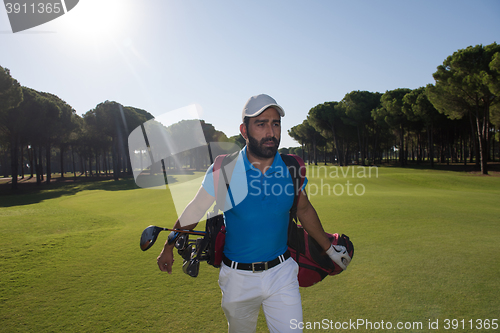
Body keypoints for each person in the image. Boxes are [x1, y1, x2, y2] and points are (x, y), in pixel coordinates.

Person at [156, 94, 351, 333]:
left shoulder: (292, 167)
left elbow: (303, 209)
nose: (271, 132)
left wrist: (329, 248)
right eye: (261, 124)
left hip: (282, 273)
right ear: (244, 130)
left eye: (275, 123)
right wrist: (168, 245)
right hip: (237, 279)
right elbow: (196, 208)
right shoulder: (225, 170)